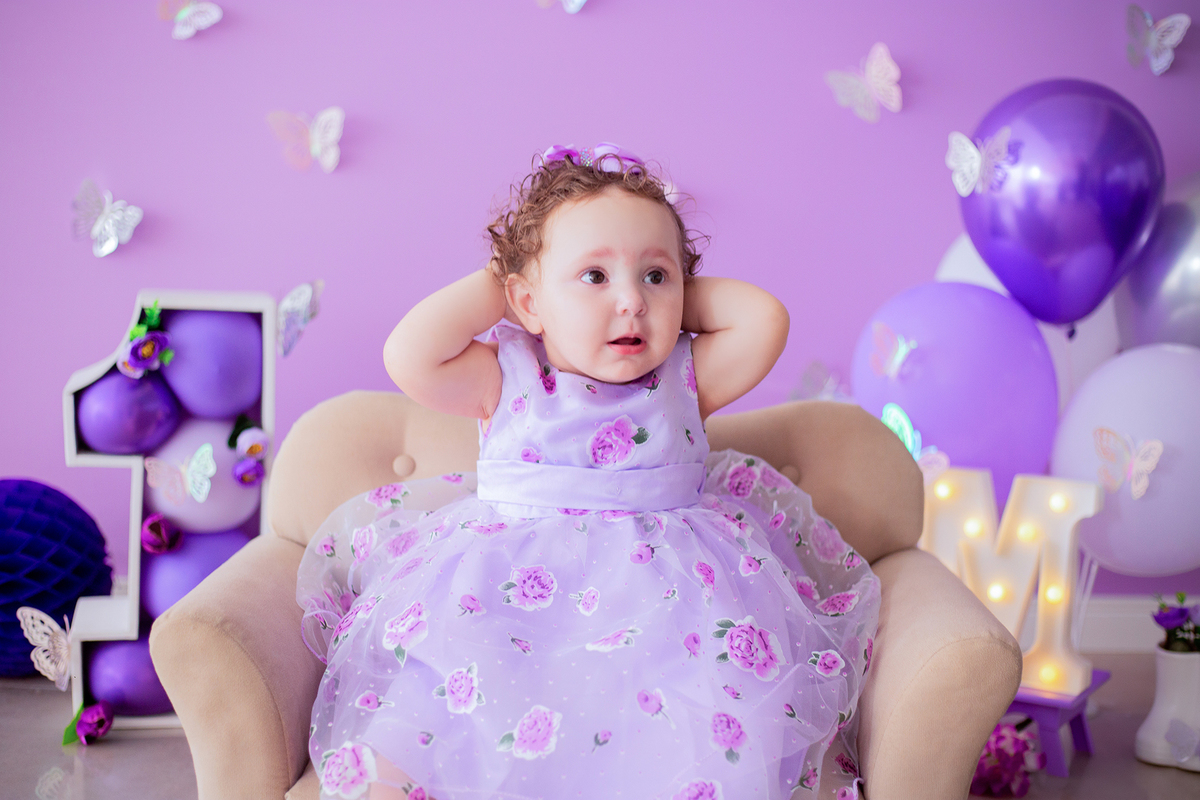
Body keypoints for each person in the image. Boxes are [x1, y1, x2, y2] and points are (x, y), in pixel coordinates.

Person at [296, 144, 879, 800]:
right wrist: (512, 278)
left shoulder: (685, 378)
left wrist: (650, 293)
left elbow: (763, 318)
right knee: (441, 720)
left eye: (655, 277)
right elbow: (408, 354)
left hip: (669, 610)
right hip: (512, 609)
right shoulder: (505, 375)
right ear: (525, 301)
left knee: (699, 739)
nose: (630, 302)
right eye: (594, 277)